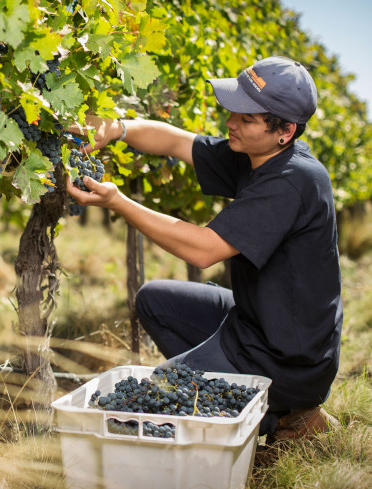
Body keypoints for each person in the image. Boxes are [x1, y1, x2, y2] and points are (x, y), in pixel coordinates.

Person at [66, 56, 342, 443]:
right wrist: (116, 129)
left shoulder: (292, 180)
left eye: (247, 118)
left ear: (285, 131)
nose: (231, 122)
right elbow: (176, 141)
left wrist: (118, 202)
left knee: (136, 413)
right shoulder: (257, 155)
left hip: (283, 358)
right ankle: (255, 409)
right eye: (234, 111)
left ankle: (275, 414)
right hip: (256, 322)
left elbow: (203, 250)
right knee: (155, 300)